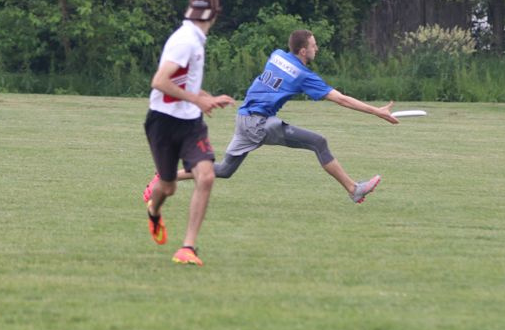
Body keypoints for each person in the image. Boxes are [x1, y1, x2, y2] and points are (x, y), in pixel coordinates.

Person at [145, 29, 397, 204]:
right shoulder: (303, 74)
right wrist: (377, 111)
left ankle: (164, 177)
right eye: (313, 45)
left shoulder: (276, 55)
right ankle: (353, 189)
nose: (317, 48)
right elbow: (341, 99)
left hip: (244, 118)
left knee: (224, 170)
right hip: (258, 123)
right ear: (303, 51)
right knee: (318, 142)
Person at [144, 0, 235, 266]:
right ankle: (153, 211)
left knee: (205, 177)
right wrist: (198, 100)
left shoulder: (195, 39)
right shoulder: (185, 40)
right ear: (215, 15)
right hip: (162, 122)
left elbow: (184, 82)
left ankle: (187, 248)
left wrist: (206, 98)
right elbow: (160, 81)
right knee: (168, 187)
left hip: (191, 124)